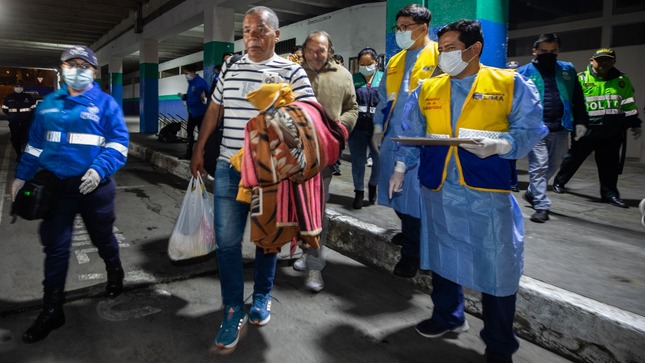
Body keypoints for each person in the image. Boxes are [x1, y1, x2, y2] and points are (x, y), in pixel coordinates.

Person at [390, 20, 546, 362]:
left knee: (496, 266)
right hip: (439, 189)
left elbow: (531, 128)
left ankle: (500, 343)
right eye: (441, 48)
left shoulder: (508, 84)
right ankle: (448, 315)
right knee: (444, 256)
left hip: (485, 194)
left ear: (473, 49)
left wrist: (504, 144)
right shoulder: (428, 89)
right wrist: (401, 167)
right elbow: (412, 131)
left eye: (449, 48)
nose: (442, 55)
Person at [189, 6, 316, 352]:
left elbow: (309, 120)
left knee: (267, 239)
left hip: (270, 173)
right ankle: (233, 307)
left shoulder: (293, 72)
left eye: (260, 31)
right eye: (246, 31)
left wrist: (279, 116)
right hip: (231, 169)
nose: (252, 38)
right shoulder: (230, 66)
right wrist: (199, 149)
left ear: (277, 34)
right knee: (227, 242)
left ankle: (261, 295)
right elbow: (215, 109)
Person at [10, 45, 129, 343]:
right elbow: (36, 144)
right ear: (61, 69)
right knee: (56, 247)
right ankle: (52, 309)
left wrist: (99, 169)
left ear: (93, 71)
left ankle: (114, 270)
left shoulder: (106, 104)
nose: (77, 69)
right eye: (70, 64)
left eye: (83, 65)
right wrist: (22, 175)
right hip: (56, 188)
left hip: (93, 187)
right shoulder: (48, 103)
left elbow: (118, 143)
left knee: (102, 237)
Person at [372, 4, 439, 278]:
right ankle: (412, 234)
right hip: (393, 135)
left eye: (405, 27)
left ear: (423, 28)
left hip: (421, 142)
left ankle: (413, 253)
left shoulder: (439, 55)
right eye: (397, 27)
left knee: (414, 199)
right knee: (394, 194)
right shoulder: (396, 60)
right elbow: (382, 98)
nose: (400, 32)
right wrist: (378, 127)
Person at [297, 30, 357, 291]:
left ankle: (314, 268)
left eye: (320, 50)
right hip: (292, 153)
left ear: (330, 51)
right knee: (294, 210)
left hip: (324, 155)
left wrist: (340, 130)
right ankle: (302, 251)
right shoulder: (292, 73)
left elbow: (352, 108)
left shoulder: (344, 76)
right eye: (309, 50)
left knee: (317, 210)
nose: (314, 55)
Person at [553, 48, 642, 208]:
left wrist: (634, 123)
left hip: (612, 132)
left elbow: (628, 104)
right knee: (573, 159)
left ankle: (610, 194)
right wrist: (570, 123)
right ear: (592, 61)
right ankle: (559, 182)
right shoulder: (580, 79)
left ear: (613, 62)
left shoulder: (622, 81)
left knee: (610, 164)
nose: (603, 62)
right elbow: (571, 103)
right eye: (600, 59)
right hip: (586, 130)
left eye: (607, 59)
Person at [516, 34, 589, 223]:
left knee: (554, 165)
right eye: (543, 51)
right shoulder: (523, 73)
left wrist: (581, 121)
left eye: (553, 51)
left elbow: (577, 97)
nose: (549, 54)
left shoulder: (567, 70)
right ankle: (541, 205)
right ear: (535, 51)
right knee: (539, 166)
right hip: (535, 128)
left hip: (561, 126)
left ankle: (532, 192)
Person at [349, 47, 383, 209]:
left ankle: (373, 186)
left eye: (369, 63)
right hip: (358, 127)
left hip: (378, 127)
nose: (365, 66)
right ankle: (359, 192)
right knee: (358, 161)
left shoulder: (383, 79)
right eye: (362, 63)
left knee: (379, 159)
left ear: (376, 63)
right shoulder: (353, 79)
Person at [178, 64, 209, 160]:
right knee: (190, 133)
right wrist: (184, 96)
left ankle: (203, 155)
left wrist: (187, 103)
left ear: (192, 72)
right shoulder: (191, 82)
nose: (185, 75)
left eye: (186, 73)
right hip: (192, 112)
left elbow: (200, 98)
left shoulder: (200, 83)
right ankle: (189, 154)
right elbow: (192, 95)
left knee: (201, 134)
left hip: (200, 113)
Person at [2, 81, 36, 161]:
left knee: (25, 138)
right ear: (14, 87)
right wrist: (12, 116)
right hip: (14, 122)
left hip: (25, 122)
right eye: (16, 86)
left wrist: (28, 116)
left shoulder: (28, 97)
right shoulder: (9, 97)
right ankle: (18, 154)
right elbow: (5, 109)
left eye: (19, 86)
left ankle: (24, 152)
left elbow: (33, 108)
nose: (18, 87)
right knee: (15, 138)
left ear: (22, 87)